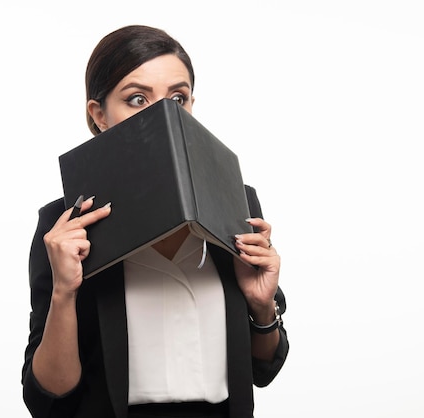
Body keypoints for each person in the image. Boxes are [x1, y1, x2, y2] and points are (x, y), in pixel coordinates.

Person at [22, 25, 289, 418]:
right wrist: (64, 291)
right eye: (136, 98)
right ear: (100, 115)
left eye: (177, 98)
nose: (163, 113)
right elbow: (47, 399)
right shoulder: (63, 227)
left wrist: (262, 306)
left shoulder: (236, 202)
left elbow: (264, 368)